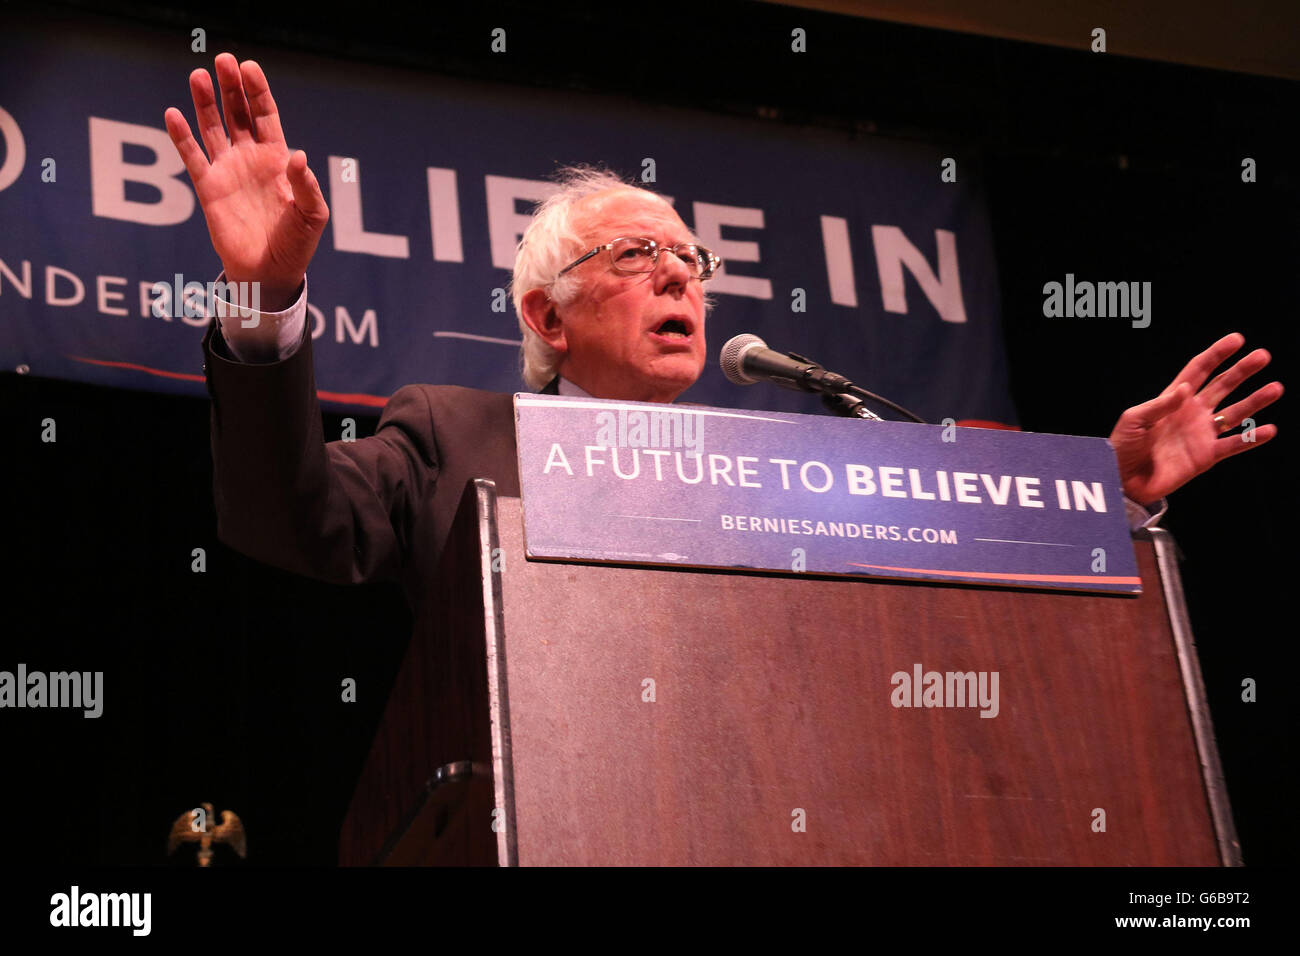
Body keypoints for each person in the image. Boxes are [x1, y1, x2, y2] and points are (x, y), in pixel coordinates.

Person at [165, 53, 1283, 606]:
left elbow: (952, 545)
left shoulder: (782, 465)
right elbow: (284, 520)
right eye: (636, 254)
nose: (678, 276)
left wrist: (1110, 489)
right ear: (546, 314)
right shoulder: (449, 434)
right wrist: (265, 296)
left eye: (689, 258)